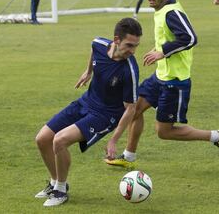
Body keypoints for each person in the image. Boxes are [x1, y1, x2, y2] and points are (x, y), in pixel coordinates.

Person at [105, 0, 219, 170]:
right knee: (134, 109)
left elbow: (190, 38)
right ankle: (128, 157)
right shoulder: (161, 10)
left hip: (175, 82)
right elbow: (172, 38)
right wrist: (158, 49)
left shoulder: (172, 12)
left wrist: (162, 52)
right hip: (160, 77)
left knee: (164, 132)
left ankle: (216, 136)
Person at [34, 18, 142, 207]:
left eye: (136, 46)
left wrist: (114, 140)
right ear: (116, 40)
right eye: (129, 45)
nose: (132, 51)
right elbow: (93, 50)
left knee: (59, 140)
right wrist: (88, 71)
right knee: (42, 139)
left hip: (105, 115)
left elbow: (131, 109)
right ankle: (55, 183)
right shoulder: (99, 44)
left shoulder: (129, 70)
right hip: (86, 101)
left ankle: (60, 191)